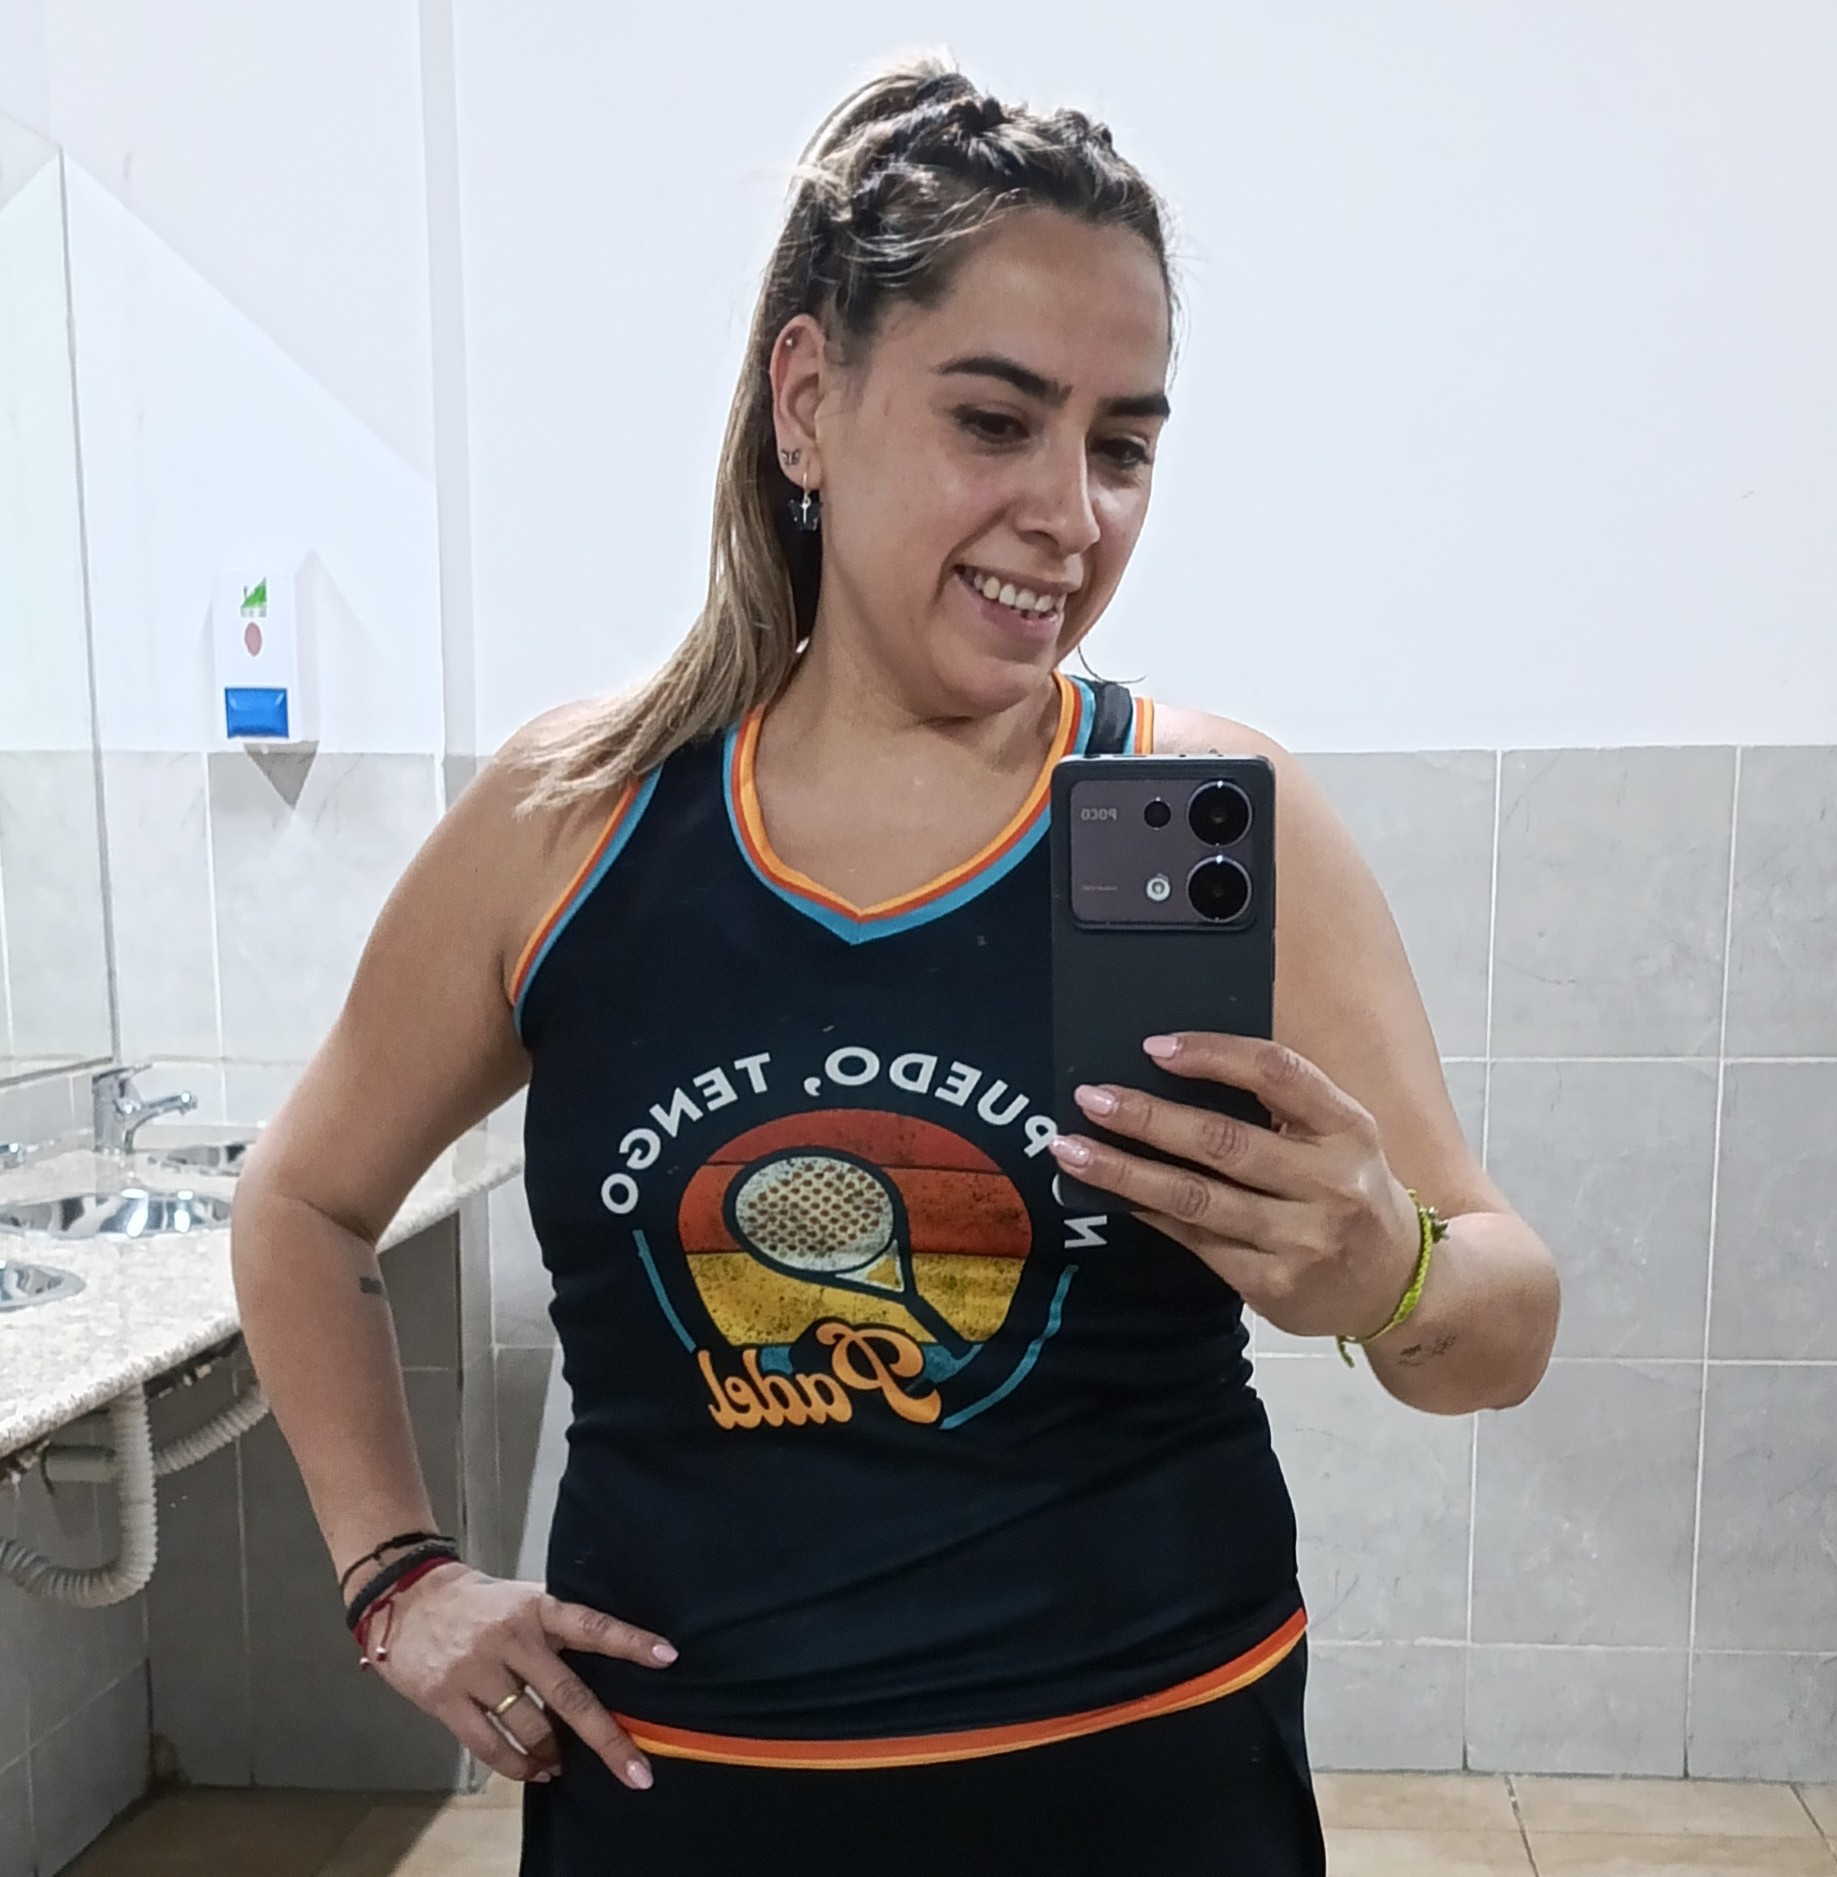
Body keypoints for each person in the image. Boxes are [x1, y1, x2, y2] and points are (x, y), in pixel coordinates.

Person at [231, 54, 1560, 1877]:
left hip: (1149, 1790)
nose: (1070, 513)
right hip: (686, 1803)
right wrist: (397, 1576)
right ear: (807, 401)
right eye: (995, 421)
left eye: (1121, 445)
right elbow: (300, 1203)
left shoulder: (1191, 808)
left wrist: (1383, 1262)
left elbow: (1502, 1315)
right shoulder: (577, 822)